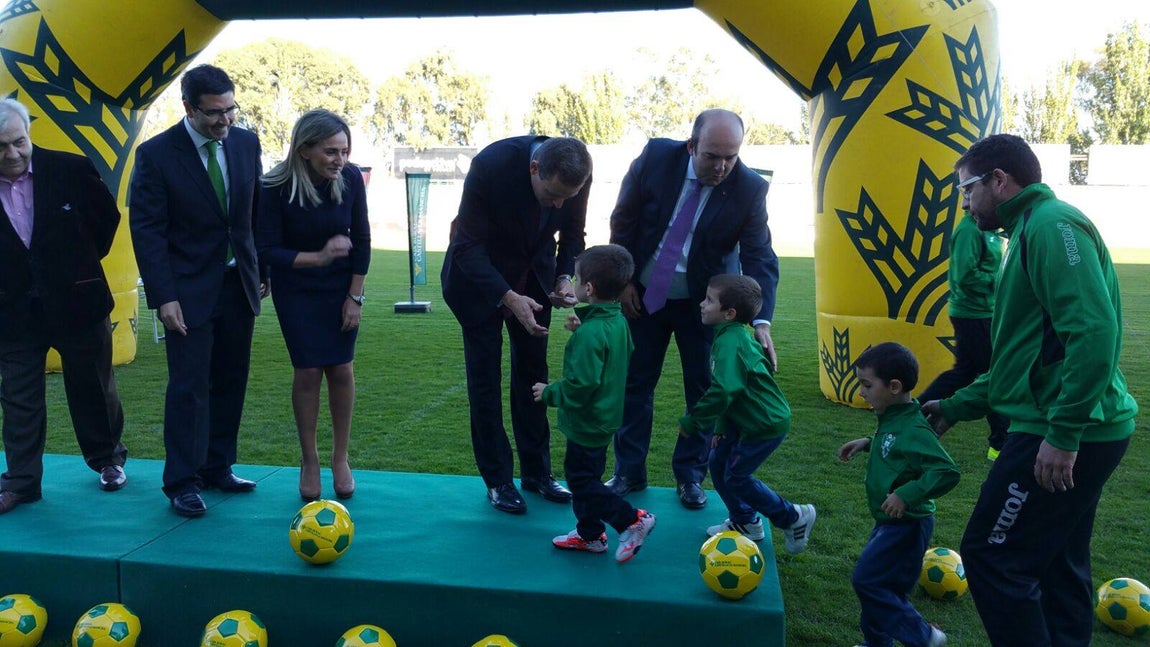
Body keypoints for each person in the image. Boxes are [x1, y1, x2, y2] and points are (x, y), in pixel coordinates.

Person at [922, 134, 1138, 647]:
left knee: (992, 556)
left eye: (967, 189)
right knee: (1058, 564)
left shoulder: (1050, 225)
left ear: (999, 180)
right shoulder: (1024, 231)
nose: (965, 203)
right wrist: (956, 405)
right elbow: (1025, 357)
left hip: (1064, 428)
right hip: (1072, 423)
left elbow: (1092, 331)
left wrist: (1064, 436)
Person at [608, 108, 779, 509]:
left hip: (707, 306)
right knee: (634, 384)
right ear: (691, 146)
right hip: (644, 296)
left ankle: (690, 476)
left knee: (703, 390)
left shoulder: (749, 189)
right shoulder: (655, 159)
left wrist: (761, 320)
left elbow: (759, 256)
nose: (722, 167)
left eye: (731, 157)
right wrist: (626, 280)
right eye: (712, 156)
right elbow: (624, 221)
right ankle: (628, 472)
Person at [129, 64, 265, 518]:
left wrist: (259, 267)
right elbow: (147, 230)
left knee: (231, 380)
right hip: (186, 293)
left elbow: (251, 214)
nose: (225, 121)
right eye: (214, 114)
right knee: (189, 388)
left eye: (230, 109)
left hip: (238, 285)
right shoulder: (156, 155)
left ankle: (218, 467)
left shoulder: (246, 143)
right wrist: (163, 296)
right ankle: (182, 482)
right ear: (187, 108)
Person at [441, 136, 592, 514]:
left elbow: (572, 236)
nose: (559, 204)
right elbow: (467, 246)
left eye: (566, 197)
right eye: (552, 195)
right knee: (485, 381)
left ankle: (537, 473)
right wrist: (507, 296)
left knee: (533, 377)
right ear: (534, 168)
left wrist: (562, 278)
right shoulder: (491, 166)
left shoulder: (577, 170)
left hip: (534, 278)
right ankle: (498, 481)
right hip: (478, 282)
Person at [0, 98, 128, 514]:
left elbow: (105, 222)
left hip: (78, 301)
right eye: (0, 147)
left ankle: (108, 460)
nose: (13, 154)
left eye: (19, 142)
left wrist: (77, 264)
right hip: (14, 312)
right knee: (18, 399)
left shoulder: (70, 169)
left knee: (93, 384)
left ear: (28, 135)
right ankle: (21, 483)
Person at [257, 109, 370, 502]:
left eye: (344, 150)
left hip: (341, 288)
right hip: (297, 290)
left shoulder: (352, 178)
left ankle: (341, 458)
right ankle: (309, 459)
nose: (340, 160)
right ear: (304, 150)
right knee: (307, 372)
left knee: (341, 368)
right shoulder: (274, 184)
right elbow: (267, 249)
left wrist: (354, 296)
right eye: (330, 152)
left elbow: (364, 241)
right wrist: (318, 257)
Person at [531, 244, 655, 562]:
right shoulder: (616, 321)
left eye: (575, 278)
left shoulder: (592, 333)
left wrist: (549, 392)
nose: (571, 283)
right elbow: (613, 353)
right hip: (607, 416)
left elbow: (582, 384)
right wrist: (583, 325)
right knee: (588, 475)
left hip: (587, 419)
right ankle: (590, 535)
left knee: (581, 481)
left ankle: (632, 520)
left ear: (588, 288)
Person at [680, 274, 815, 552]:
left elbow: (725, 389)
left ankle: (794, 517)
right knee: (718, 463)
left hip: (764, 424)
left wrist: (695, 421)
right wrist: (720, 427)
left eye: (709, 300)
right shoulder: (728, 335)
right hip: (744, 421)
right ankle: (745, 521)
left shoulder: (731, 342)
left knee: (737, 476)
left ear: (729, 314)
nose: (702, 305)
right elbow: (731, 389)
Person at [838, 342, 959, 647]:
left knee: (868, 581)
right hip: (890, 522)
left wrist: (906, 494)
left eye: (866, 385)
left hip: (907, 525)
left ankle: (924, 637)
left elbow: (946, 471)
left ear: (894, 386)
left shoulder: (913, 428)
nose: (862, 393)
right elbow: (896, 446)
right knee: (883, 590)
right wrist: (867, 442)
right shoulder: (894, 418)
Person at [917, 210, 1007, 460]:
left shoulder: (989, 230)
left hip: (982, 311)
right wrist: (998, 279)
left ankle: (912, 415)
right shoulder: (968, 230)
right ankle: (1001, 443)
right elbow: (964, 275)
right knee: (995, 375)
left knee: (964, 372)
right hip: (971, 314)